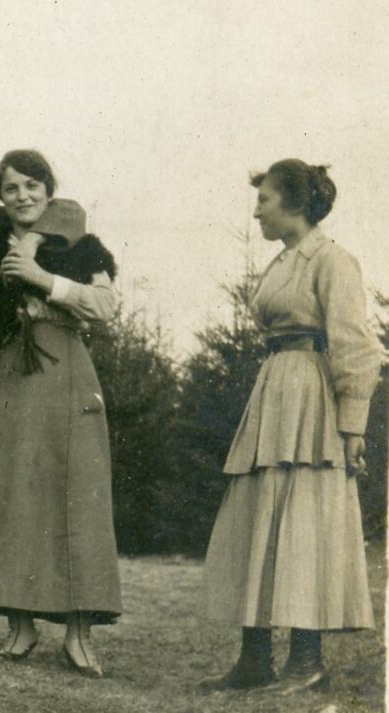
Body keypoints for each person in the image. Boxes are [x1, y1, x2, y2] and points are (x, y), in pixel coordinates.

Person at [199, 160, 382, 694]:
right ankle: (254, 658)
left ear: (295, 205)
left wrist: (352, 428)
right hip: (273, 389)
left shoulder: (332, 261)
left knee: (305, 521)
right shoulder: (280, 263)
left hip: (312, 399)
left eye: (265, 200)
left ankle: (307, 660)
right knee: (258, 513)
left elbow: (357, 348)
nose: (256, 210)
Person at [0, 150, 121, 677]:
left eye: (32, 185)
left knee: (75, 495)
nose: (23, 196)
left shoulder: (82, 245)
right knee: (12, 494)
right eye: (11, 188)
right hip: (12, 379)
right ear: (1, 197)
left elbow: (106, 306)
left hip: (67, 371)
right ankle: (19, 626)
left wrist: (40, 278)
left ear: (48, 189)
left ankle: (80, 635)